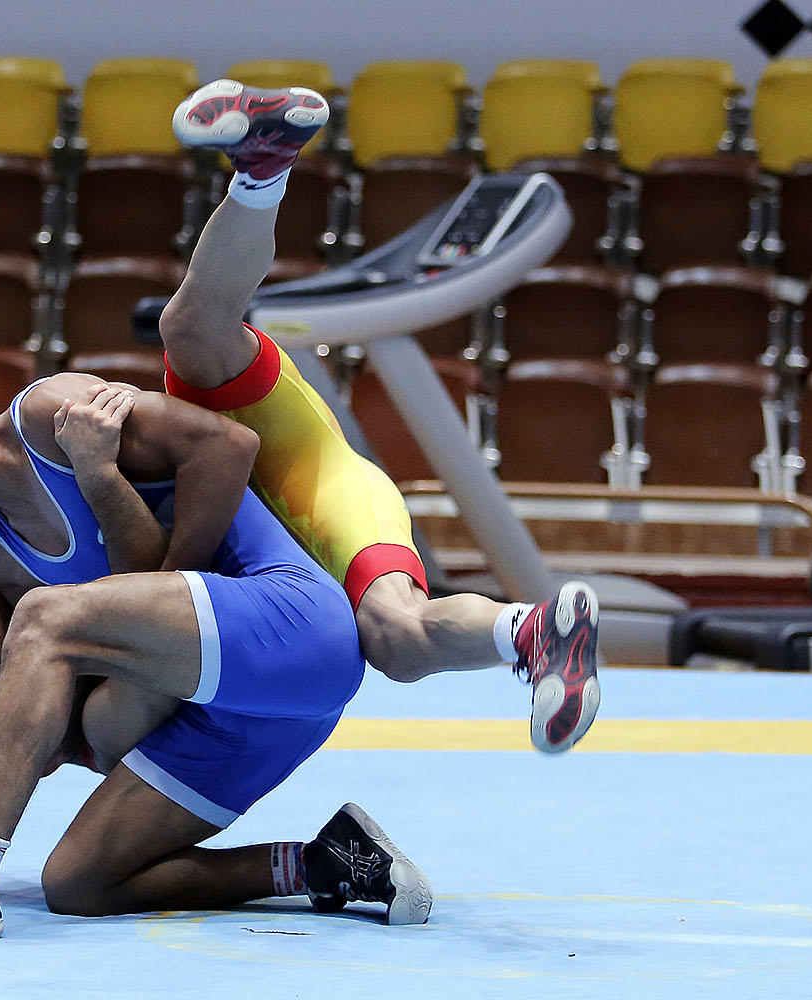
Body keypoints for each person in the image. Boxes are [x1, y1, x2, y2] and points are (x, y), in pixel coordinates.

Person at [0, 312, 431, 936]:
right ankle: (327, 864)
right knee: (79, 881)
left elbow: (230, 445)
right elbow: (10, 676)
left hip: (295, 624)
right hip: (250, 713)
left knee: (47, 619)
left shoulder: (51, 416)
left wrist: (115, 505)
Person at [161, 78, 600, 753]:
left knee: (191, 328)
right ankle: (536, 633)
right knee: (396, 649)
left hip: (323, 492)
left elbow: (201, 323)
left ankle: (263, 168)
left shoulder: (168, 413)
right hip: (276, 561)